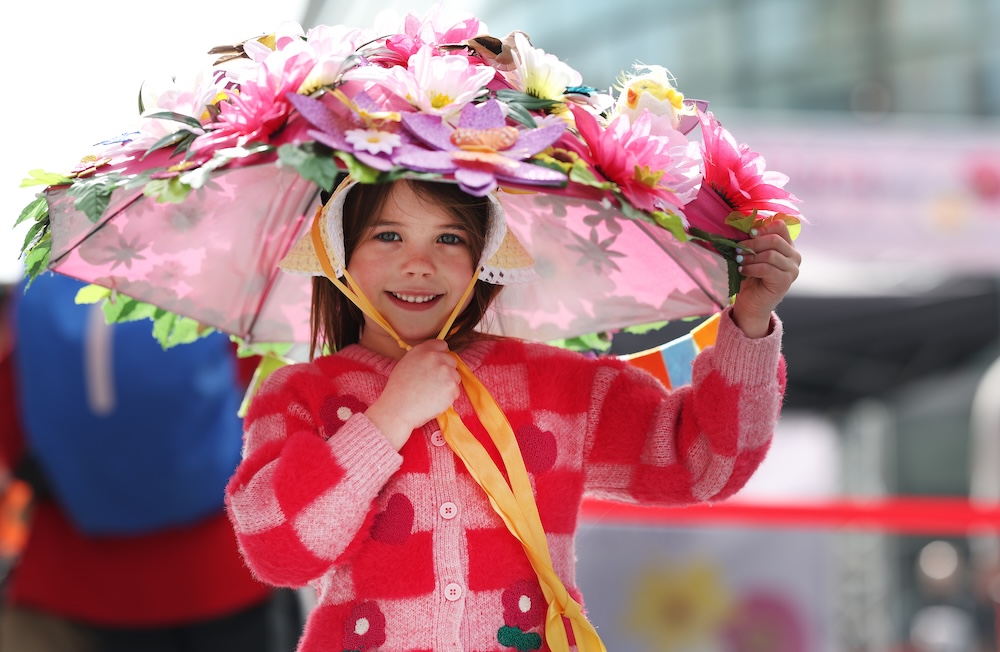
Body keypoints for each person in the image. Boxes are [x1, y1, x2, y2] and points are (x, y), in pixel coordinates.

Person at [225, 177, 799, 652]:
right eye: (388, 235)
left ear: (484, 255)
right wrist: (388, 418)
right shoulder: (295, 395)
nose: (419, 264)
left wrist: (749, 324)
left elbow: (704, 463)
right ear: (337, 251)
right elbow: (276, 550)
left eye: (449, 237)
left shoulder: (556, 384)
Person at [0, 272, 304, 652]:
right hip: (221, 573)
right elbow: (265, 402)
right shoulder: (210, 281)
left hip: (78, 579)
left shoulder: (45, 284)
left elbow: (15, 432)